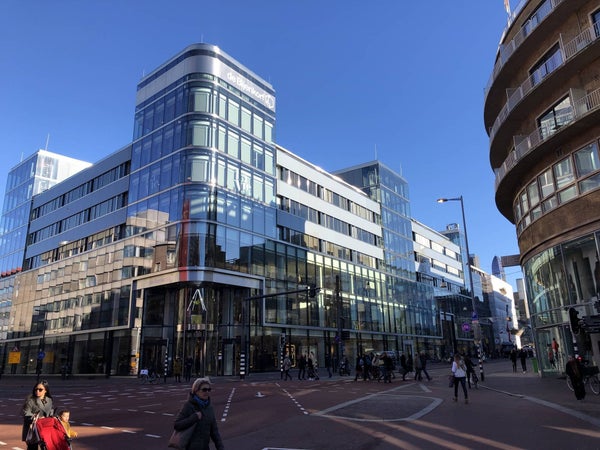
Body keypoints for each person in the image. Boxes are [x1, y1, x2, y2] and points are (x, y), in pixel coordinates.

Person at [173, 377, 224, 450]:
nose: (207, 392)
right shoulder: (188, 405)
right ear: (196, 391)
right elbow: (177, 425)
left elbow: (214, 432)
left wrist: (220, 447)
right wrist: (194, 417)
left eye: (209, 389)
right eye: (204, 390)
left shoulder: (209, 407)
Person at [22, 379, 54, 450]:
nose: (37, 391)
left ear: (45, 390)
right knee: (32, 447)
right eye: (36, 389)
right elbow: (26, 413)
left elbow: (51, 412)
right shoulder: (30, 400)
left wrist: (53, 416)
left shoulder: (49, 400)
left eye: (40, 390)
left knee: (47, 446)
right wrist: (36, 418)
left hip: (45, 428)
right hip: (33, 428)